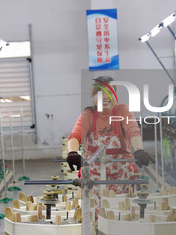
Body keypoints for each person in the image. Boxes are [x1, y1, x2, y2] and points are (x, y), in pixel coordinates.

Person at [66, 76, 155, 206]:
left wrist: (139, 150)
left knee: (120, 214)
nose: (105, 97)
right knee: (94, 216)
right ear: (94, 96)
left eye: (109, 92)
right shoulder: (88, 115)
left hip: (122, 175)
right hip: (93, 177)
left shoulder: (123, 110)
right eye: (100, 92)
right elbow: (75, 135)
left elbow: (133, 131)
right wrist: (72, 152)